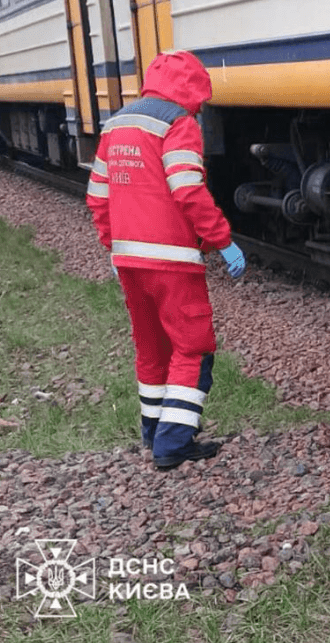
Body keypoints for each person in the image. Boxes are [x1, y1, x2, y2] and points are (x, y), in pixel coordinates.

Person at [86, 50, 246, 472]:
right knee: (193, 346)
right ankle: (173, 444)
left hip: (128, 260)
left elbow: (97, 197)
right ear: (194, 90)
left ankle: (152, 429)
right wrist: (222, 240)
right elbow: (187, 189)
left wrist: (114, 245)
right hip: (173, 260)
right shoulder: (179, 124)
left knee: (151, 346)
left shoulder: (117, 124)